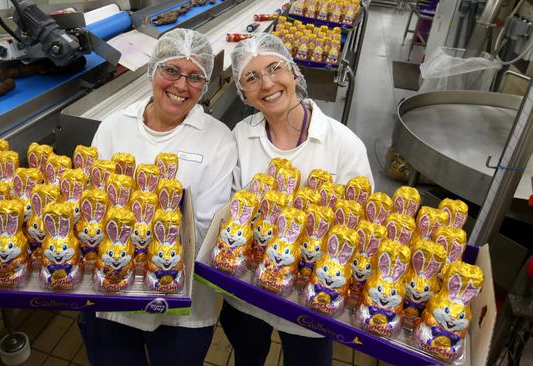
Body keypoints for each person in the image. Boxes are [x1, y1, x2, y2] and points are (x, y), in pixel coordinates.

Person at [79, 28, 237, 366]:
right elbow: (90, 203)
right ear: (153, 69)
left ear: (205, 84)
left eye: (195, 77)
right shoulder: (114, 126)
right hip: (111, 293)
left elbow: (206, 230)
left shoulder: (218, 140)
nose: (181, 86)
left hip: (182, 305)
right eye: (171, 70)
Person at [221, 33, 374, 366]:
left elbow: (362, 231)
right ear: (243, 94)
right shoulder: (240, 138)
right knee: (248, 355)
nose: (267, 83)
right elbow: (228, 211)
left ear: (293, 72)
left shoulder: (344, 145)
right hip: (247, 294)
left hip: (312, 302)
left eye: (275, 68)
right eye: (252, 77)